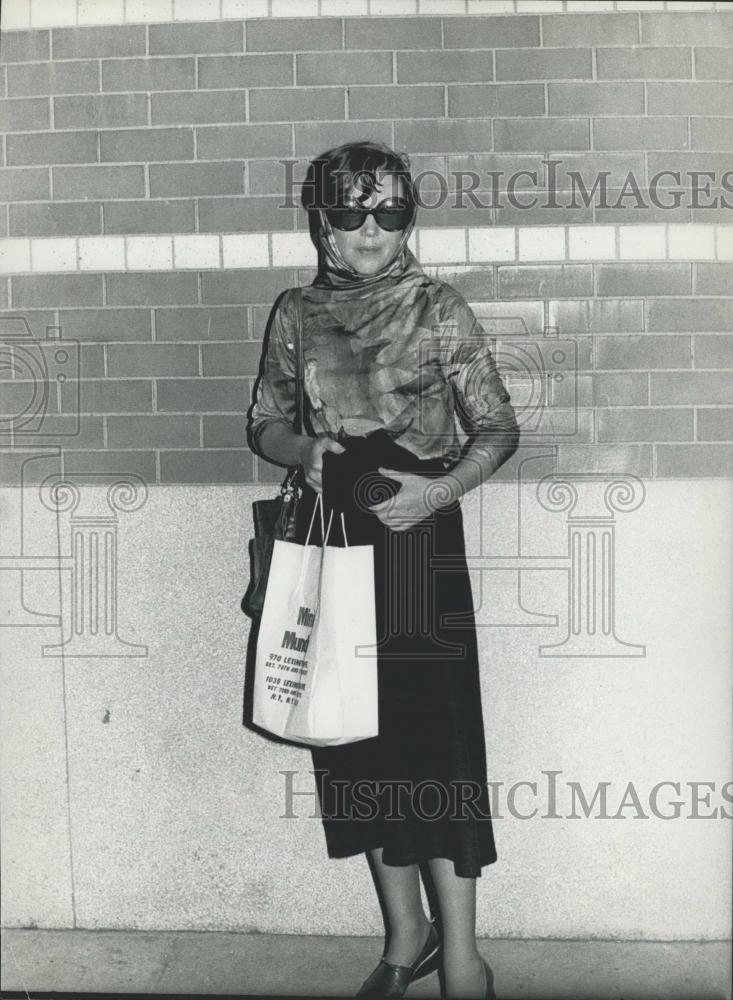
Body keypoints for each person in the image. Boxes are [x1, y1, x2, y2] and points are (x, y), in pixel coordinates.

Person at [247, 140, 519, 1000]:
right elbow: (263, 422)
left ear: (407, 221)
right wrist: (303, 448)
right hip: (334, 540)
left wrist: (434, 492)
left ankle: (463, 956)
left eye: (390, 211)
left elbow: (498, 429)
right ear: (322, 222)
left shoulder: (438, 307)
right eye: (351, 211)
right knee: (354, 743)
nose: (370, 229)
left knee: (435, 751)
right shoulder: (295, 311)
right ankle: (407, 936)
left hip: (415, 547)